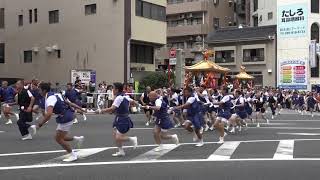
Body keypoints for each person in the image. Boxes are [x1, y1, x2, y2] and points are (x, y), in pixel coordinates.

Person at [37, 83, 85, 162]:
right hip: (67, 115)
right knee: (60, 136)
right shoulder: (56, 94)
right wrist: (81, 108)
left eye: (39, 90)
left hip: (66, 117)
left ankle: (73, 155)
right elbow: (69, 103)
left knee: (58, 139)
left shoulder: (50, 98)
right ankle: (77, 139)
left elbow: (49, 114)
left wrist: (40, 124)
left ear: (44, 90)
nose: (39, 91)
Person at [96, 82, 138, 157]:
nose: (112, 90)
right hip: (120, 118)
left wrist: (100, 111)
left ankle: (132, 139)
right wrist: (135, 104)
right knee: (115, 135)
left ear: (117, 90)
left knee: (118, 137)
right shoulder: (124, 96)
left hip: (123, 119)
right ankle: (121, 151)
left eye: (113, 88)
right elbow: (133, 102)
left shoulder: (119, 97)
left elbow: (112, 109)